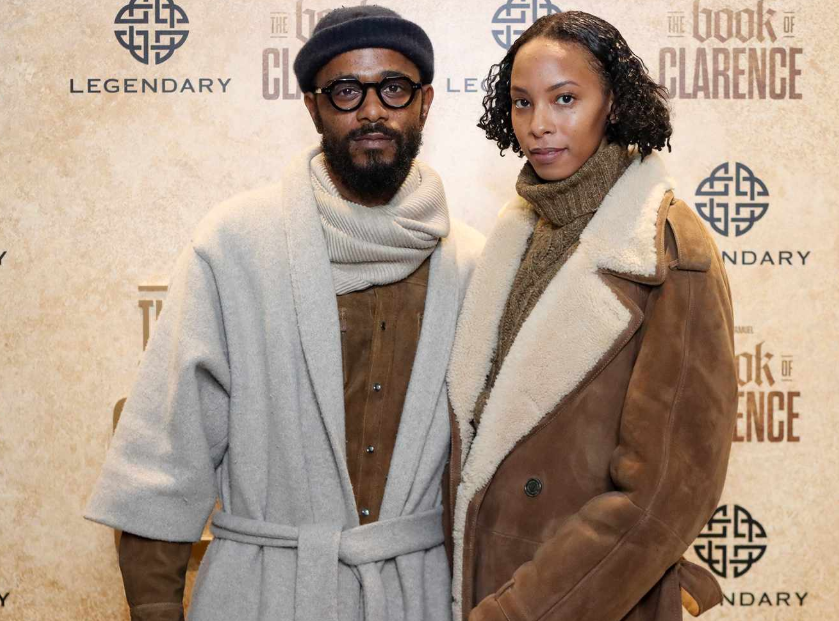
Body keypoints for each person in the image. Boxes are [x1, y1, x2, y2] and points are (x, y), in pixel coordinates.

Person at [85, 6, 484, 621]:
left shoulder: (472, 263)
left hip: (421, 599)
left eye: (394, 89)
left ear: (425, 103)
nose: (372, 111)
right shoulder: (236, 245)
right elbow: (168, 451)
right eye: (346, 91)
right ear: (313, 107)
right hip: (261, 595)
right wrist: (155, 607)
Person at [443, 11, 737, 621]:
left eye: (565, 99)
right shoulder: (516, 235)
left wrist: (517, 613)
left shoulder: (669, 253)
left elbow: (662, 499)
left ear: (615, 104)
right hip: (482, 582)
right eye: (522, 103)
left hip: (579, 602)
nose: (539, 125)